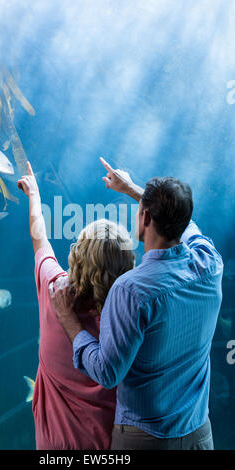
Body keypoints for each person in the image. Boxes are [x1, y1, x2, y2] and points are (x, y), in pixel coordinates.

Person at [50, 158, 224, 450]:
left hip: (145, 440)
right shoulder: (210, 263)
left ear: (144, 217)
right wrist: (132, 189)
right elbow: (189, 224)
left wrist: (68, 319)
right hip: (198, 434)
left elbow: (107, 372)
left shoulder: (131, 290)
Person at [17, 161, 135, 450]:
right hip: (108, 446)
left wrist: (34, 195)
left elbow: (39, 238)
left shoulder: (53, 288)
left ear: (77, 254)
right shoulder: (131, 319)